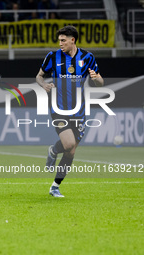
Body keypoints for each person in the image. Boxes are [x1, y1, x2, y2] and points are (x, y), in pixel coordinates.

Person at [36, 26, 104, 197]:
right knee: (68, 144)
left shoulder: (87, 57)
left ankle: (55, 186)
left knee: (71, 151)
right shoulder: (52, 57)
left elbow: (100, 81)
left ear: (72, 40)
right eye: (59, 40)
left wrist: (97, 79)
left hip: (79, 111)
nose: (60, 43)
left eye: (63, 40)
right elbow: (39, 75)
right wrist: (43, 85)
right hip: (58, 108)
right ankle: (53, 150)